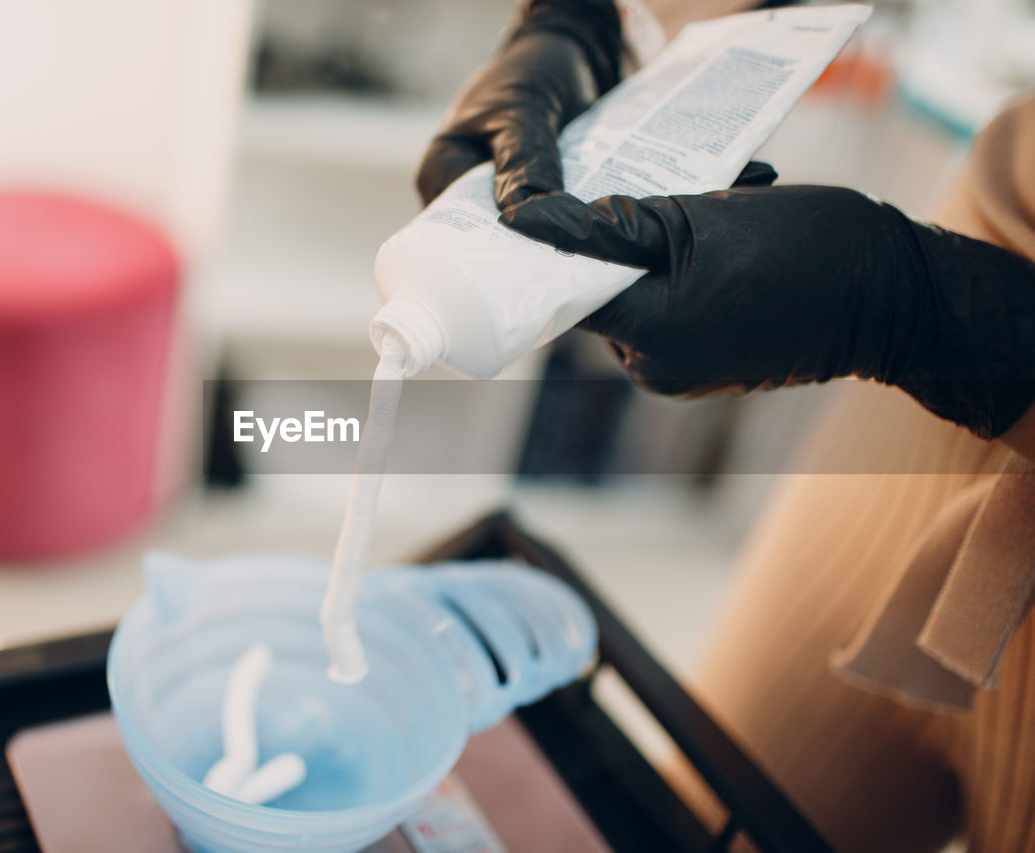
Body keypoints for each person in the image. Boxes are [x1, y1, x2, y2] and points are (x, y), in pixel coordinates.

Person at [416, 1, 1035, 850]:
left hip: (946, 313)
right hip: (964, 309)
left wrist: (928, 313)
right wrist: (583, 21)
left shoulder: (908, 302)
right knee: (704, 816)